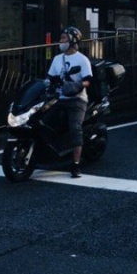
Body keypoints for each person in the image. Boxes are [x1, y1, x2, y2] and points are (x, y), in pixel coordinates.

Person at [47, 27, 93, 178]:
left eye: (64, 39)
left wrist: (78, 85)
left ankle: (76, 164)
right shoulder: (56, 59)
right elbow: (50, 78)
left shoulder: (82, 59)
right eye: (61, 39)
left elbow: (88, 81)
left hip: (77, 100)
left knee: (75, 128)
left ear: (73, 40)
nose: (61, 41)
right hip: (59, 98)